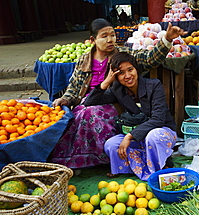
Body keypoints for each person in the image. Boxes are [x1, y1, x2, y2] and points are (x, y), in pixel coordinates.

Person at [50, 18, 186, 169]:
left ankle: (101, 159)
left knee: (88, 113)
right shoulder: (84, 60)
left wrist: (166, 39)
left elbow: (149, 60)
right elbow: (74, 87)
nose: (110, 40)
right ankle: (74, 159)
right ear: (92, 40)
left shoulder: (123, 54)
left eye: (112, 35)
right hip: (91, 100)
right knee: (74, 113)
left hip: (113, 103)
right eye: (104, 36)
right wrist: (66, 99)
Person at [84, 52, 177, 180]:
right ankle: (142, 166)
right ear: (116, 76)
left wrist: (130, 136)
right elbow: (90, 102)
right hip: (139, 137)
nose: (128, 76)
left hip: (161, 133)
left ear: (136, 69)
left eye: (130, 70)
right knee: (111, 145)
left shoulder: (154, 86)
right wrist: (107, 81)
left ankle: (154, 170)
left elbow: (158, 119)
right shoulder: (118, 89)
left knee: (153, 136)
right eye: (121, 73)